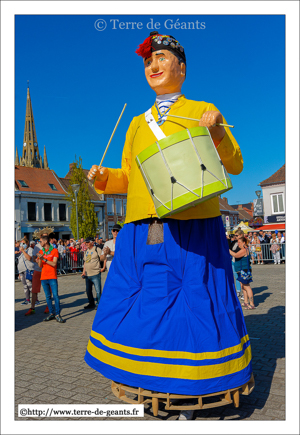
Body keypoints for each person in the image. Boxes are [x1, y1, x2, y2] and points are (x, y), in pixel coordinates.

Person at [85, 31, 251, 420]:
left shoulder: (202, 109)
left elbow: (236, 164)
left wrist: (217, 129)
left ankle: (193, 392)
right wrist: (103, 178)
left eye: (161, 58)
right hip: (144, 227)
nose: (154, 66)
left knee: (193, 307)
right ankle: (151, 385)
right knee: (148, 308)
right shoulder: (137, 124)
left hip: (193, 224)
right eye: (148, 61)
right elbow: (129, 176)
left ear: (182, 67)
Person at [37, 235, 65, 323]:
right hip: (44, 277)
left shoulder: (54, 251)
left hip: (52, 276)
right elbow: (39, 265)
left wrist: (43, 259)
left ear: (45, 242)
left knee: (56, 296)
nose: (39, 243)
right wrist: (40, 259)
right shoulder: (41, 251)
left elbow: (54, 264)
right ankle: (51, 313)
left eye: (40, 241)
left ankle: (57, 314)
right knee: (48, 297)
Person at [230, 236, 255, 309]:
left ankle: (252, 304)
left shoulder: (244, 250)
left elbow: (235, 255)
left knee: (247, 286)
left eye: (239, 242)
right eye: (238, 242)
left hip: (244, 270)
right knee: (243, 286)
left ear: (244, 243)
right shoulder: (243, 249)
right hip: (241, 270)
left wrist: (228, 249)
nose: (238, 244)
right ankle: (246, 302)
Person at [81, 237, 105, 309]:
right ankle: (91, 303)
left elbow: (104, 258)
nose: (86, 244)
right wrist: (83, 271)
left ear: (92, 242)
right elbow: (85, 262)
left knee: (98, 290)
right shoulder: (86, 251)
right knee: (88, 290)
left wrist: (103, 267)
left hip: (95, 273)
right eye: (86, 242)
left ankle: (99, 303)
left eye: (88, 242)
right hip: (88, 274)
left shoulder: (97, 249)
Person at [25, 240, 43, 315]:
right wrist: (37, 260)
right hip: (37, 270)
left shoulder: (50, 247)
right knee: (34, 289)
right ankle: (32, 307)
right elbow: (33, 258)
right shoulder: (37, 246)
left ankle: (48, 307)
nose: (42, 241)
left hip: (46, 270)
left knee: (48, 290)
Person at [17, 238, 34, 305]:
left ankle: (35, 299)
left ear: (27, 243)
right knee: (25, 286)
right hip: (22, 271)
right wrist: (19, 272)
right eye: (21, 243)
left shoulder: (30, 250)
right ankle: (27, 299)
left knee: (30, 285)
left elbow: (29, 258)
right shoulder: (21, 252)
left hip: (28, 270)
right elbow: (20, 262)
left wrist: (23, 251)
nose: (22, 245)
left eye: (23, 243)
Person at [227, 230, 244, 297]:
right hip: (233, 261)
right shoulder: (234, 242)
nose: (235, 237)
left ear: (240, 235)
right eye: (235, 235)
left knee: (241, 277)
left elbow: (237, 251)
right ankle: (238, 291)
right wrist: (228, 239)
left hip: (239, 261)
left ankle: (243, 292)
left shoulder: (242, 243)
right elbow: (228, 247)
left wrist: (231, 252)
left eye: (236, 235)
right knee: (236, 277)